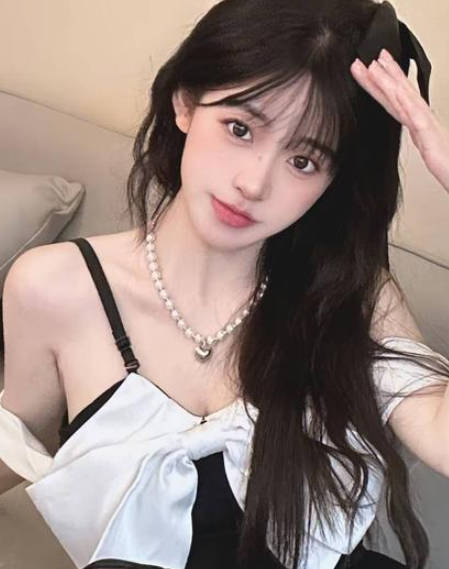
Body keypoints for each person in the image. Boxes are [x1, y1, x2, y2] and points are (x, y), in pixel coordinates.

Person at [0, 0, 449, 568]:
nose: (254, 183)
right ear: (185, 103)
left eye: (304, 161)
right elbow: (18, 442)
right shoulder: (55, 286)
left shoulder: (352, 297)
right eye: (240, 128)